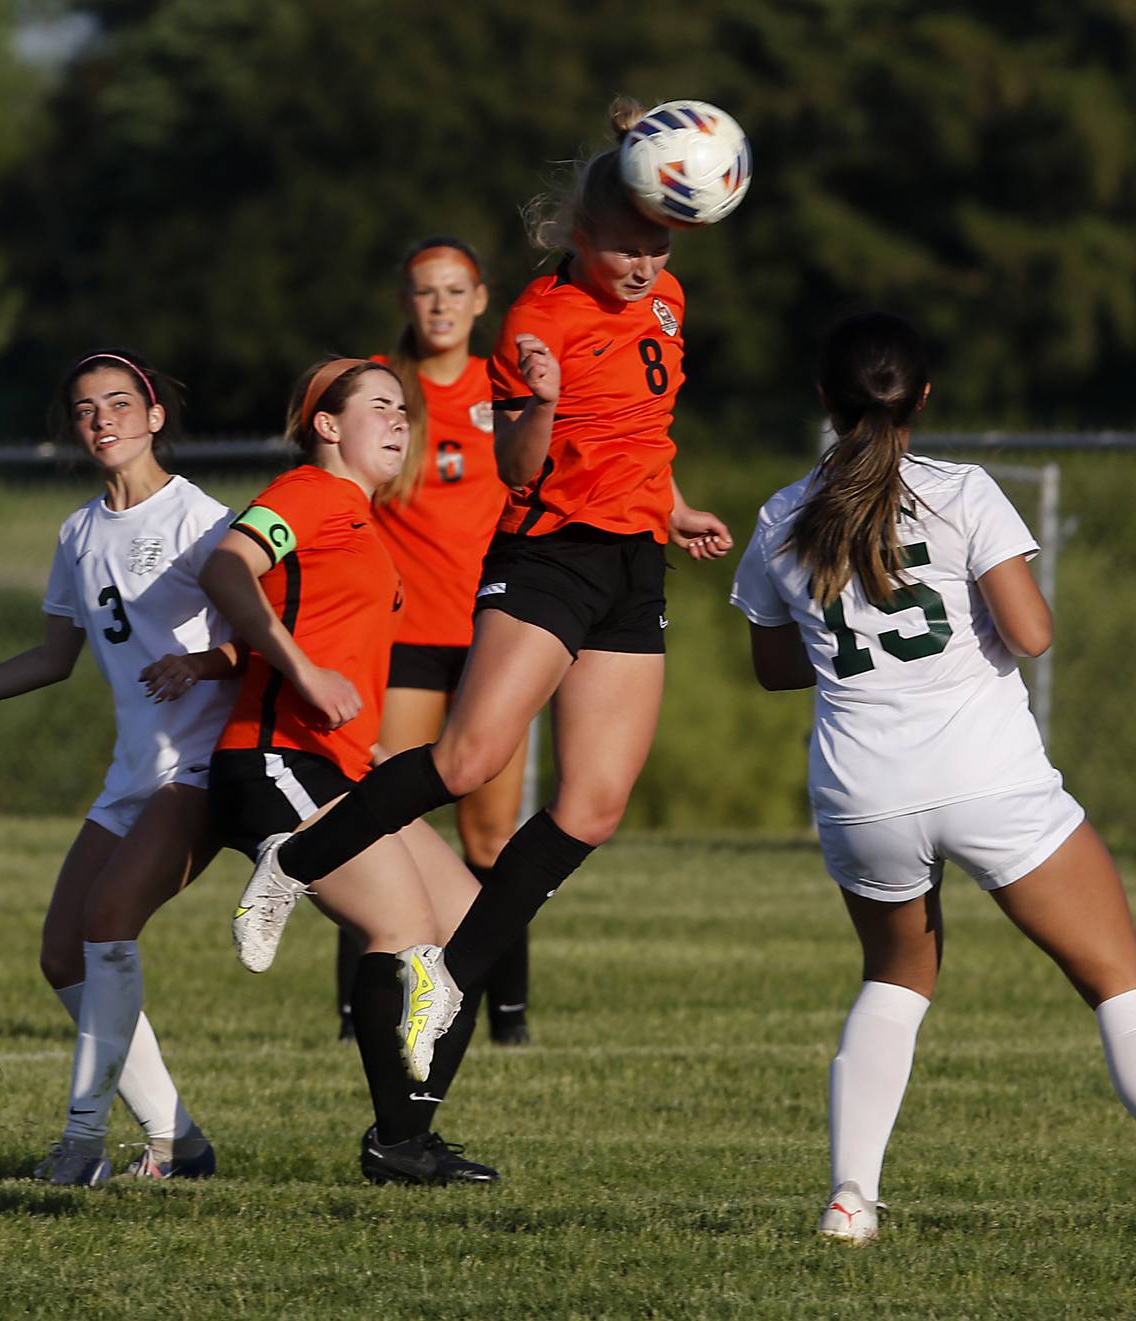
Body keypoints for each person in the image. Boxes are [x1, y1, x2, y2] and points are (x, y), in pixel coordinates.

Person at [729, 311, 1136, 1246]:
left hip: (860, 789)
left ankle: (850, 1198)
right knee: (1117, 978)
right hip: (986, 775)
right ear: (924, 397)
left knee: (895, 976)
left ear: (823, 399)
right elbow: (1032, 633)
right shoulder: (963, 491)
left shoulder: (781, 513)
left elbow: (774, 667)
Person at [228, 99, 733, 1016]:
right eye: (627, 248)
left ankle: (451, 982)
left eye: (661, 247)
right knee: (466, 763)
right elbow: (518, 467)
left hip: (633, 561)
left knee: (594, 807)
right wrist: (541, 401)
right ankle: (296, 862)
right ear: (581, 235)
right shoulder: (541, 320)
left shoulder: (667, 300)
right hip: (553, 554)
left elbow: (638, 433)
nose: (645, 265)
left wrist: (677, 507)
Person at [0, 351, 236, 1186]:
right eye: (84, 408)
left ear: (155, 415)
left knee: (107, 922)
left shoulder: (204, 520)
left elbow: (261, 638)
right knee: (63, 956)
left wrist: (200, 664)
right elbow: (51, 657)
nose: (102, 419)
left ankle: (81, 1143)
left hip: (201, 768)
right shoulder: (78, 533)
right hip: (132, 773)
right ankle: (180, 1143)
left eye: (119, 402)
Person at [205, 356, 498, 1185]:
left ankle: (407, 1133)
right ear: (327, 426)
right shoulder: (312, 491)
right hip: (273, 761)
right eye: (379, 406)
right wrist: (300, 674)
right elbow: (225, 567)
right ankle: (398, 1144)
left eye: (404, 407)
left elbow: (308, 619)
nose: (400, 419)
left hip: (337, 766)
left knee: (470, 921)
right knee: (401, 927)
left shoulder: (365, 521)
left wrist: (366, 743)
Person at [334, 235, 534, 1048]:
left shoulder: (507, 385)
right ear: (404, 301)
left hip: (498, 639)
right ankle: (361, 1013)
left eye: (457, 290)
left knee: (491, 839)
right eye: (426, 290)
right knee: (379, 823)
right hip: (405, 643)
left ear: (481, 300)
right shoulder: (378, 386)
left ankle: (507, 1018)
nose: (442, 304)